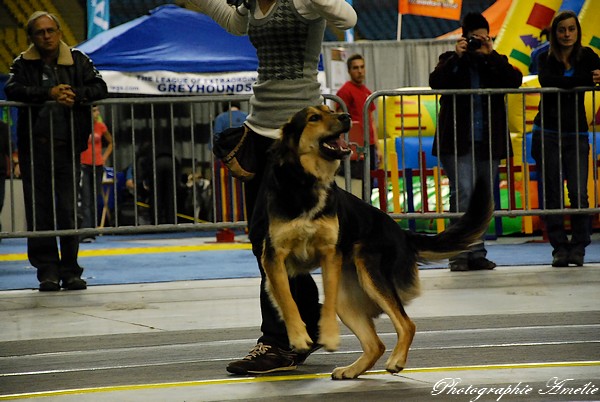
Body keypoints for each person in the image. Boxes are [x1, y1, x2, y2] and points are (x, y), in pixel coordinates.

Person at [186, 0, 356, 374]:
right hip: (259, 133)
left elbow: (347, 17)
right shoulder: (248, 3)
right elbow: (232, 24)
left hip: (300, 140)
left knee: (275, 244)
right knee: (264, 243)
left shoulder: (302, 3)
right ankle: (299, 331)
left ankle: (280, 341)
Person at [4, 11, 108, 291]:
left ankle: (71, 270)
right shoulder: (22, 63)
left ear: (60, 32)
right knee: (39, 213)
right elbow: (12, 89)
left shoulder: (79, 60)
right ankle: (47, 271)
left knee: (68, 211)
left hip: (68, 147)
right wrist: (49, 94)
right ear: (32, 37)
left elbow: (100, 87)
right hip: (34, 150)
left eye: (51, 30)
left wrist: (74, 94)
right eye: (40, 32)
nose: (47, 36)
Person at [429, 12, 523, 272]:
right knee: (463, 195)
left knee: (482, 198)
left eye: (484, 37)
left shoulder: (495, 61)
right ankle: (459, 253)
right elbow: (436, 82)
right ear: (464, 37)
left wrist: (490, 55)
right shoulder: (450, 59)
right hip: (457, 141)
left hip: (487, 142)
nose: (478, 43)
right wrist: (458, 57)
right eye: (474, 38)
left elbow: (513, 81)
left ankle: (477, 252)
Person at [530, 10, 600, 268]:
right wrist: (584, 80)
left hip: (577, 132)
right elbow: (548, 80)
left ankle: (579, 247)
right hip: (546, 132)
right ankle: (559, 247)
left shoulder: (589, 55)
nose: (567, 34)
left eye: (571, 29)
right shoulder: (542, 56)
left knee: (580, 194)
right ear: (554, 33)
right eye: (562, 30)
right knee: (552, 194)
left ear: (577, 31)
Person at [335, 53, 380, 195]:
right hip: (355, 147)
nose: (360, 71)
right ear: (349, 71)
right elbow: (339, 120)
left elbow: (371, 120)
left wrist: (378, 147)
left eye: (362, 67)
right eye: (355, 68)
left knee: (370, 186)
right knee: (357, 186)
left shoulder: (367, 92)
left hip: (370, 145)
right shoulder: (345, 92)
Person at [79, 105, 113, 243]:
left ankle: (92, 230)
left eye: (98, 110)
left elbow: (111, 142)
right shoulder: (81, 126)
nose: (97, 112)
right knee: (86, 198)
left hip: (97, 165)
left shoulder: (100, 126)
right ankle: (85, 232)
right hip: (84, 165)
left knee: (94, 197)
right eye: (94, 110)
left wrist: (104, 157)